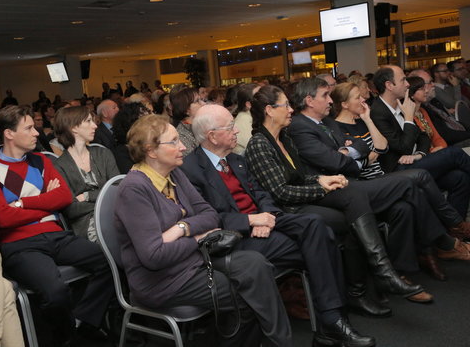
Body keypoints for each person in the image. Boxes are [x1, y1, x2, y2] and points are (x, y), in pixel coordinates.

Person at [181, 104, 376, 345]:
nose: (237, 132)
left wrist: (268, 217)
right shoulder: (189, 170)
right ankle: (331, 320)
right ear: (212, 135)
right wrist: (250, 221)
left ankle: (331, 321)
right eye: (230, 127)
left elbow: (262, 193)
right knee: (323, 239)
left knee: (316, 225)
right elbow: (207, 217)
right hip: (237, 238)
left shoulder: (235, 160)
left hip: (267, 222)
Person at [114, 114, 293, 347]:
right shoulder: (134, 190)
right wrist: (197, 239)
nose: (183, 147)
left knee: (257, 265)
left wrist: (181, 228)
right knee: (253, 294)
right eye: (174, 141)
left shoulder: (174, 172)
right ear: (151, 151)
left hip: (194, 261)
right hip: (163, 281)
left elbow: (209, 215)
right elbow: (154, 256)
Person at [245, 85, 427, 301]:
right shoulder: (259, 145)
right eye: (285, 105)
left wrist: (323, 178)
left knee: (352, 204)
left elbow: (300, 176)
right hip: (290, 210)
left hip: (305, 197)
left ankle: (365, 288)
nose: (291, 109)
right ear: (269, 110)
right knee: (353, 208)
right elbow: (280, 192)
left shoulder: (284, 137)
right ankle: (379, 278)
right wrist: (321, 186)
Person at [0, 105, 115, 346]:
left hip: (57, 236)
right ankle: (67, 336)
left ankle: (83, 321)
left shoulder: (40, 161)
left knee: (109, 261)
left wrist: (21, 203)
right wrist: (45, 205)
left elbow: (63, 197)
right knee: (55, 292)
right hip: (20, 245)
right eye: (28, 128)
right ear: (9, 134)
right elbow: (3, 219)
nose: (37, 132)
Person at [332, 81, 470, 280]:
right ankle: (453, 230)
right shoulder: (337, 128)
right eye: (357, 98)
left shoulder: (364, 120)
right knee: (423, 176)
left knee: (450, 179)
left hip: (382, 177)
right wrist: (369, 154)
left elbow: (381, 146)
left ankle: (418, 262)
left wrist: (367, 120)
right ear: (344, 104)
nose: (363, 100)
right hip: (369, 183)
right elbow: (359, 161)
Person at [370, 65, 470, 220]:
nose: (407, 84)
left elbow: (423, 137)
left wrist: (419, 154)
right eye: (403, 80)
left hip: (415, 161)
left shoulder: (400, 103)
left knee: (460, 178)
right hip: (398, 169)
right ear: (389, 86)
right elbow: (403, 147)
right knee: (454, 153)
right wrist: (409, 118)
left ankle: (456, 228)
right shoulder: (377, 112)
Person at [53, 106, 119, 241]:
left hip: (115, 217)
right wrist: (104, 197)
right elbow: (71, 210)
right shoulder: (59, 166)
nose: (95, 126)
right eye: (88, 121)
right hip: (87, 227)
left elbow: (117, 190)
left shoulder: (103, 153)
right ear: (73, 127)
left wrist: (86, 195)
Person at [112, 102, 151, 173]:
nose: (151, 126)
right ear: (131, 126)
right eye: (145, 122)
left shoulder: (151, 145)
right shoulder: (121, 153)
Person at [170, 88, 206, 156]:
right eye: (197, 101)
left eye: (201, 100)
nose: (204, 104)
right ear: (186, 110)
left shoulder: (203, 125)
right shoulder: (181, 136)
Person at [233, 84, 260, 155]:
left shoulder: (254, 117)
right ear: (249, 105)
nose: (265, 98)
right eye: (259, 97)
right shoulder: (243, 120)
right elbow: (257, 150)